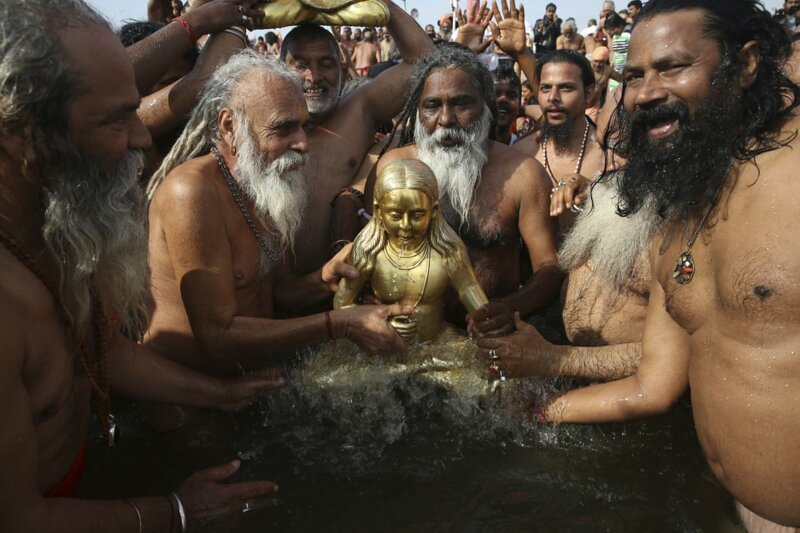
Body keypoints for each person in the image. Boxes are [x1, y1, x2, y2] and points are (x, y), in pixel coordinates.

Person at [486, 0, 800, 528]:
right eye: (634, 76)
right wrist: (538, 410)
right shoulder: (682, 198)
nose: (648, 92)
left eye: (673, 67)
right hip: (741, 508)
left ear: (745, 65)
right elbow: (656, 383)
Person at [0, 1, 291, 529]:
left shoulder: (63, 227)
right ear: (21, 133)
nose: (141, 137)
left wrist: (220, 394)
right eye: (115, 119)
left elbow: (104, 352)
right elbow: (18, 520)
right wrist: (175, 512)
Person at [146, 51, 411, 378]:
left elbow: (277, 293)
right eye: (284, 128)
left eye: (303, 125)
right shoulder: (190, 191)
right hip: (190, 398)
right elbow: (217, 335)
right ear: (229, 126)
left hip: (255, 383)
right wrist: (336, 324)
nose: (302, 143)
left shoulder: (265, 182)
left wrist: (322, 281)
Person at [374, 44, 561, 333]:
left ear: (486, 106)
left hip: (491, 341)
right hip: (408, 338)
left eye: (461, 104)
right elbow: (368, 251)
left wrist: (509, 309)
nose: (446, 120)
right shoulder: (393, 167)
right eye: (433, 105)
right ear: (418, 111)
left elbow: (549, 268)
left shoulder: (524, 174)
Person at [278, 3, 435, 278]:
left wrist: (380, 4)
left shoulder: (359, 111)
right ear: (280, 69)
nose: (314, 77)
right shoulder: (259, 116)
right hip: (269, 300)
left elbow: (427, 62)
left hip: (346, 287)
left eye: (325, 64)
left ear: (342, 66)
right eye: (301, 65)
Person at [335, 159, 489, 342]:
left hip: (436, 345)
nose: (406, 225)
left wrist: (487, 323)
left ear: (433, 211)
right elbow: (342, 304)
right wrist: (372, 322)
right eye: (395, 215)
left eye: (417, 215)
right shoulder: (368, 250)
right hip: (379, 350)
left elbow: (468, 288)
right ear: (378, 211)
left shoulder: (448, 250)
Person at [513, 50, 603, 232]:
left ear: (588, 93)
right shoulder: (521, 154)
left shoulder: (608, 154)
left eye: (566, 88)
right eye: (545, 88)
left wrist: (595, 192)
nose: (553, 97)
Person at [492, 63, 522, 146]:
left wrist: (520, 109)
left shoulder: (522, 146)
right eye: (495, 94)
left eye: (511, 95)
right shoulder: (468, 145)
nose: (503, 99)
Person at [604, 11, 630, 90]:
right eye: (610, 30)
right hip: (616, 68)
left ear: (621, 26)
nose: (612, 32)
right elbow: (615, 52)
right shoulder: (615, 37)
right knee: (613, 90)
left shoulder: (628, 35)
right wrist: (612, 64)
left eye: (613, 29)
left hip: (626, 67)